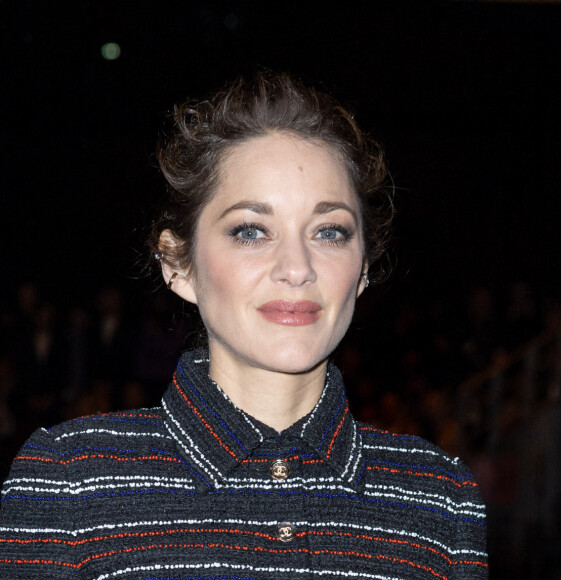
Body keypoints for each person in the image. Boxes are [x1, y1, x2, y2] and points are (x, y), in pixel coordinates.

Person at [0, 72, 488, 579]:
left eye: (329, 231)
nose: (297, 267)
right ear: (178, 264)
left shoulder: (442, 498)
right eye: (251, 231)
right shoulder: (69, 483)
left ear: (363, 267)